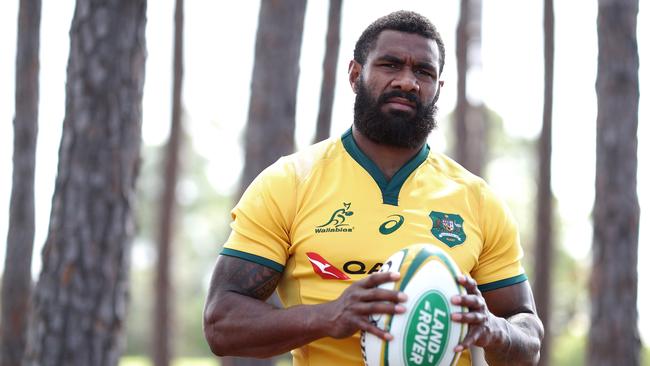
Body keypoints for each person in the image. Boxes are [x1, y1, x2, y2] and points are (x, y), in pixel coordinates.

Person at [203, 10, 544, 366]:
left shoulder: (477, 200)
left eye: (424, 72)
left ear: (438, 88)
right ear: (355, 75)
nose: (407, 82)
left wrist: (495, 329)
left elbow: (527, 333)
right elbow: (221, 323)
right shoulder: (289, 182)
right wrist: (327, 316)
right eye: (390, 65)